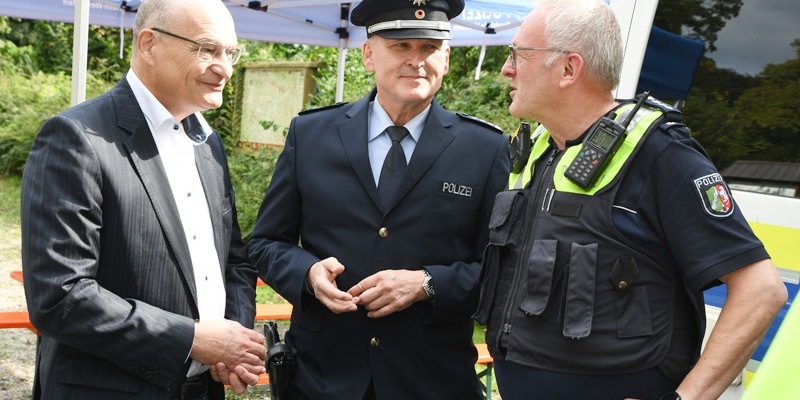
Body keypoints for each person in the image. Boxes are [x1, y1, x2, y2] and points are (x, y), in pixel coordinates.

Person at [472, 1, 788, 399]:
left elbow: (762, 290)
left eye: (519, 54)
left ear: (569, 69)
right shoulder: (538, 150)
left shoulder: (659, 154)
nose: (506, 68)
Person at [246, 0, 510, 398]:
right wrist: (308, 274)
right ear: (369, 54)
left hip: (431, 382)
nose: (416, 60)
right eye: (401, 46)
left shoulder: (484, 148)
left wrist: (427, 284)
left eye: (429, 48)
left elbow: (499, 270)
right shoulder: (312, 134)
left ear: (447, 57)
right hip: (323, 379)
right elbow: (266, 243)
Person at [20, 0, 266, 399]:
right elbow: (60, 296)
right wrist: (192, 340)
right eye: (207, 49)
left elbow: (234, 260)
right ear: (149, 44)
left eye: (230, 52)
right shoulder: (77, 138)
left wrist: (232, 343)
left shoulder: (208, 142)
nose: (225, 68)